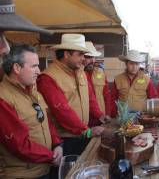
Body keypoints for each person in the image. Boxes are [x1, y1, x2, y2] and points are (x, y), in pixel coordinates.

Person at [37, 34, 106, 156]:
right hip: (65, 139)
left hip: (83, 132)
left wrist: (100, 115)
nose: (83, 58)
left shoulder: (80, 71)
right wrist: (86, 131)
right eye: (80, 54)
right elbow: (61, 111)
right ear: (66, 54)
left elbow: (90, 97)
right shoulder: (48, 78)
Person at [0, 44, 62, 179]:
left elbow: (46, 120)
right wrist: (50, 156)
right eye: (34, 66)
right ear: (17, 68)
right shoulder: (3, 98)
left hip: (45, 167)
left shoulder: (33, 90)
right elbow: (19, 145)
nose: (39, 71)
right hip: (24, 174)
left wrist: (57, 144)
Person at [111, 50, 157, 117]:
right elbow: (113, 99)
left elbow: (153, 99)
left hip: (141, 117)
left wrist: (151, 116)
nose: (134, 67)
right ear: (126, 64)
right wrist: (113, 115)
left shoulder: (147, 79)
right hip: (123, 118)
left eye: (137, 64)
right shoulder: (118, 79)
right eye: (131, 63)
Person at [83, 41, 111, 126]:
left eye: (94, 57)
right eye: (88, 57)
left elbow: (106, 95)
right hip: (84, 120)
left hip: (101, 118)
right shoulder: (76, 75)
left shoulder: (101, 72)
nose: (93, 60)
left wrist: (108, 113)